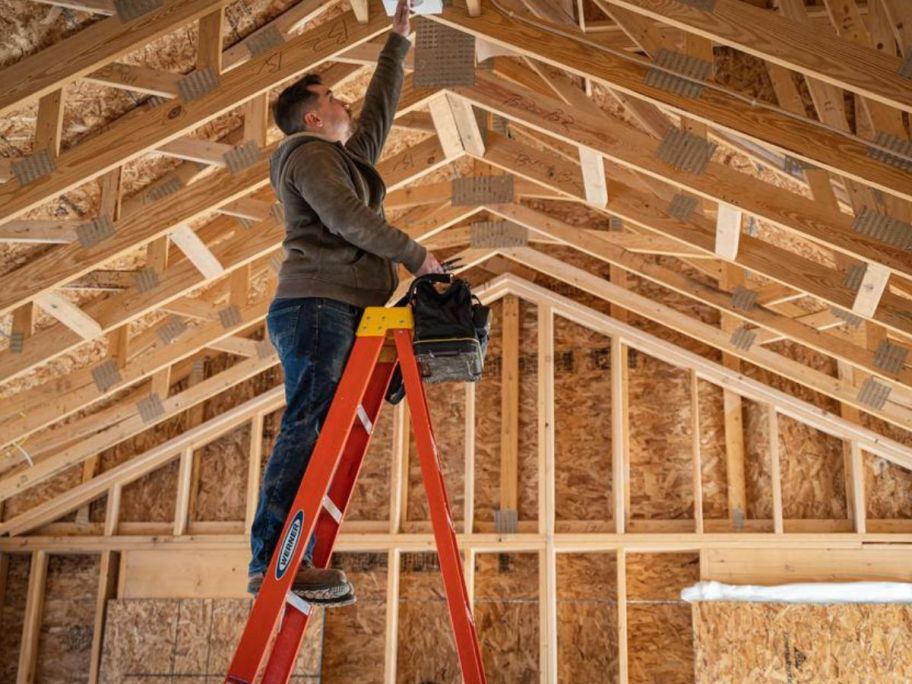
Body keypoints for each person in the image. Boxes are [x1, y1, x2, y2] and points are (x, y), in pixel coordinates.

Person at [247, 0, 443, 605]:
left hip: (337, 308)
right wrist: (414, 254)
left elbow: (377, 115)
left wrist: (399, 41)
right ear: (312, 115)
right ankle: (270, 564)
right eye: (332, 97)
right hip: (317, 306)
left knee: (321, 435)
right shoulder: (305, 156)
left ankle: (293, 561)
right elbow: (343, 216)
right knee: (307, 426)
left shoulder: (340, 158)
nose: (344, 103)